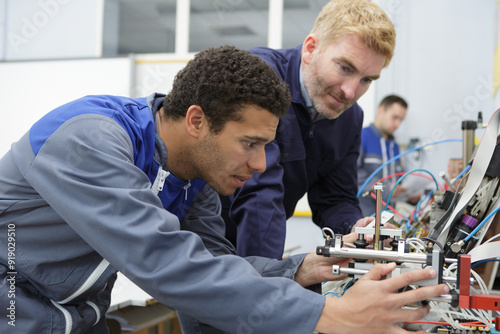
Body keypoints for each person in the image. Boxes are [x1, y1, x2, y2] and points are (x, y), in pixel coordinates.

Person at [0, 45, 447, 334]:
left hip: (78, 322)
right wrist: (332, 316)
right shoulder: (89, 140)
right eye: (250, 144)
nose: (259, 164)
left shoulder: (194, 179)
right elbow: (167, 264)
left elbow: (213, 264)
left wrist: (307, 268)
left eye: (266, 147)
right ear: (197, 121)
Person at [221, 0, 395, 260]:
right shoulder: (259, 77)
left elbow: (335, 198)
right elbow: (259, 194)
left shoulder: (350, 117)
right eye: (345, 68)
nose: (350, 92)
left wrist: (356, 228)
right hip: (199, 233)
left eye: (366, 79)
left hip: (248, 246)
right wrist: (265, 284)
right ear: (311, 48)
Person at [357, 94, 420, 216]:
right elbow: (353, 176)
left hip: (388, 220)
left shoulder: (395, 147)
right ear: (381, 110)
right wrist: (386, 189)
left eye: (401, 120)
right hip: (362, 218)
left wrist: (408, 195)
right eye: (395, 117)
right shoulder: (361, 137)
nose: (397, 124)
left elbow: (396, 181)